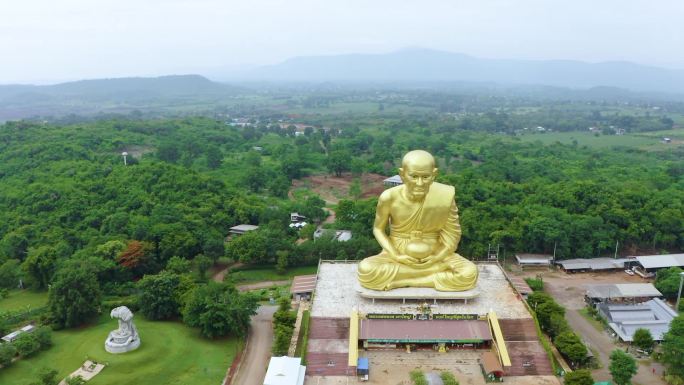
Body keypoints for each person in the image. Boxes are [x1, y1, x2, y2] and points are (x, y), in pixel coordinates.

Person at [357, 150, 478, 291]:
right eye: (414, 176)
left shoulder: (444, 196)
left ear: (434, 175)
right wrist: (397, 256)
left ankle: (404, 281)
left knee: (469, 273)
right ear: (402, 174)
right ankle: (431, 276)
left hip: (434, 253)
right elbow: (378, 229)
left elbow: (453, 235)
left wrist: (438, 257)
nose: (420, 183)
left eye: (425, 177)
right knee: (366, 269)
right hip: (397, 252)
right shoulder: (389, 197)